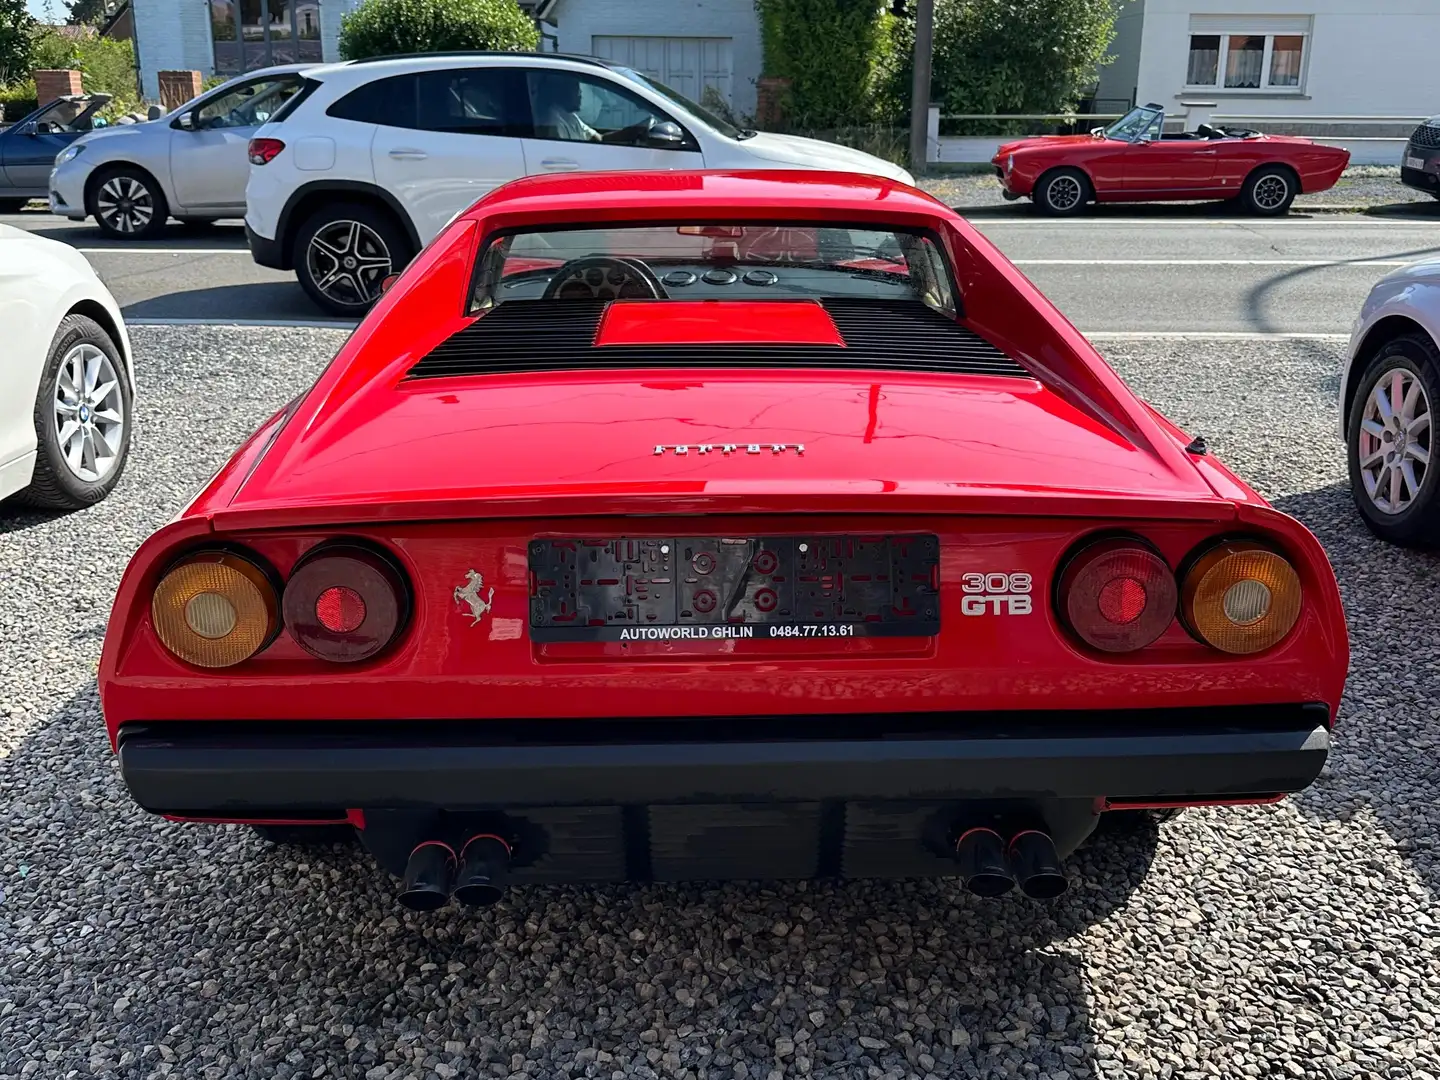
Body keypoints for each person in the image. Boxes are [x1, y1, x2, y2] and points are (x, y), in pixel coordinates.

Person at [535, 75, 599, 143]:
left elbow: (595, 137)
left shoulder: (571, 116)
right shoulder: (555, 124)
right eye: (576, 89)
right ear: (564, 91)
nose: (580, 94)